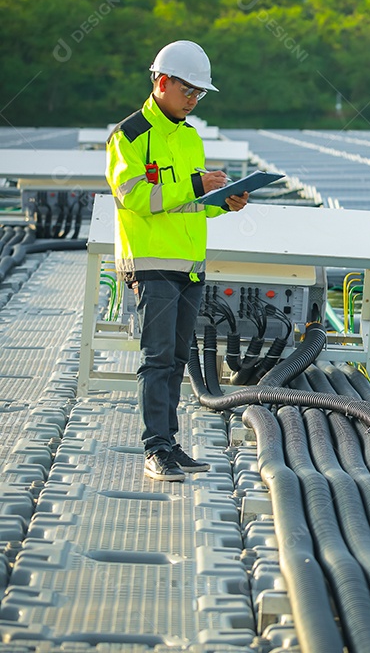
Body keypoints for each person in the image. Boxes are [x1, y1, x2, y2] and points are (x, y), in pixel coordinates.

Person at [106, 40, 249, 482]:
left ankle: (170, 444)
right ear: (163, 82)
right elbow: (132, 196)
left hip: (188, 265)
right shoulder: (128, 136)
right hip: (150, 263)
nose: (193, 99)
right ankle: (156, 450)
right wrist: (193, 184)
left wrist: (222, 203)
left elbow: (188, 203)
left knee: (176, 357)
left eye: (200, 94)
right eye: (189, 90)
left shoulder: (189, 136)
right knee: (157, 356)